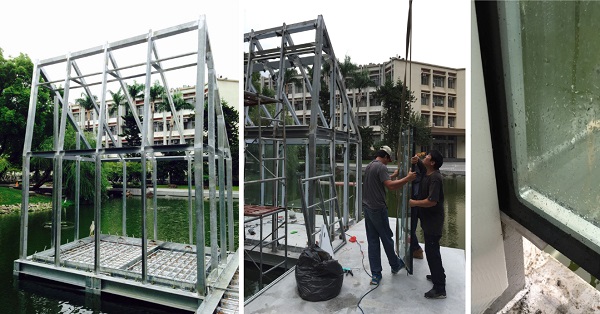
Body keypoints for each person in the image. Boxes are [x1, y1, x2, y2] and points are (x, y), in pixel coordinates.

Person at [363, 145, 416, 285]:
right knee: (387, 238)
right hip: (378, 209)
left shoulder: (370, 166)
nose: (388, 162)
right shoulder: (381, 167)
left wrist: (394, 176)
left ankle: (376, 274)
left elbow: (381, 180)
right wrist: (408, 179)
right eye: (389, 159)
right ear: (385, 156)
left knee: (373, 241)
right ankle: (395, 265)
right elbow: (391, 186)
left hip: (367, 208)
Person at [409, 150, 446, 299]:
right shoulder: (428, 172)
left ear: (432, 163)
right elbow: (422, 166)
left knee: (432, 254)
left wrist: (413, 203)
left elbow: (432, 201)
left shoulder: (435, 178)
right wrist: (416, 160)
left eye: (428, 156)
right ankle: (439, 276)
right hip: (429, 221)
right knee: (433, 251)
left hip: (433, 222)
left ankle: (440, 289)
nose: (426, 156)